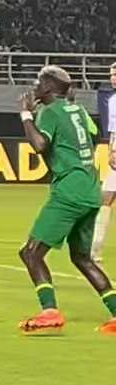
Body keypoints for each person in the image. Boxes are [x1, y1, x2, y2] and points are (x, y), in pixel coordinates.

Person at [17, 67, 116, 335]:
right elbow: (93, 135)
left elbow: (39, 145)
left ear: (48, 87)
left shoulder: (49, 113)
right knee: (82, 257)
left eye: (39, 82)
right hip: (90, 189)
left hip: (69, 191)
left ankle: (49, 311)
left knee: (30, 252)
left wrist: (26, 115)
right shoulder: (78, 110)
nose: (35, 86)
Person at [91, 63, 116, 262]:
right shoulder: (113, 100)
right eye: (111, 75)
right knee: (106, 197)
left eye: (115, 74)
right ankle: (95, 247)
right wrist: (111, 151)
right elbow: (113, 131)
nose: (112, 78)